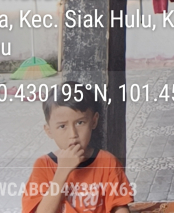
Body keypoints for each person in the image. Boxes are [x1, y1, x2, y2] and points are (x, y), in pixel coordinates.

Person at [22, 81, 134, 213]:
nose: (73, 134)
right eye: (62, 126)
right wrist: (62, 172)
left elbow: (120, 206)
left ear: (93, 121)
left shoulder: (107, 162)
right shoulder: (43, 166)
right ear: (49, 131)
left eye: (80, 123)